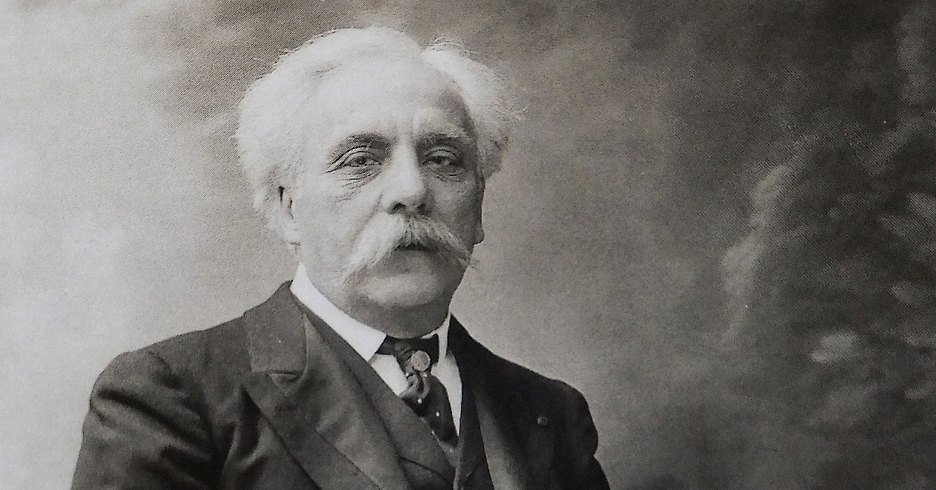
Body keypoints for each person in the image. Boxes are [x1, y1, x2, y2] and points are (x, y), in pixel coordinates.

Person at [71, 27, 609, 490]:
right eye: (360, 160)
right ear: (287, 209)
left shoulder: (551, 413)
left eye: (444, 159)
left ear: (479, 208)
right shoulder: (171, 399)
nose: (412, 189)